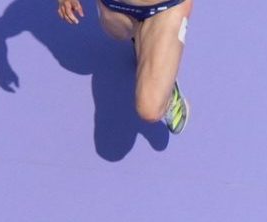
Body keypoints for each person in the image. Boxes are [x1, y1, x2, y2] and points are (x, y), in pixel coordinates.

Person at [56, 0, 193, 132]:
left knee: (150, 109)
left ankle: (167, 89)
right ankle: (149, 47)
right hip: (114, 7)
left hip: (165, 8)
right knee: (119, 34)